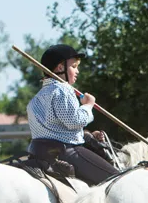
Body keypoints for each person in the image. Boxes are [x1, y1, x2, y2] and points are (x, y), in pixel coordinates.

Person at [26, 43, 119, 185]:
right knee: (117, 180)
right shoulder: (63, 89)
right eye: (74, 66)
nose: (78, 71)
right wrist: (88, 105)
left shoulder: (35, 99)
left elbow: (58, 128)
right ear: (60, 68)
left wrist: (87, 135)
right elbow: (74, 121)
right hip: (66, 153)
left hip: (38, 154)